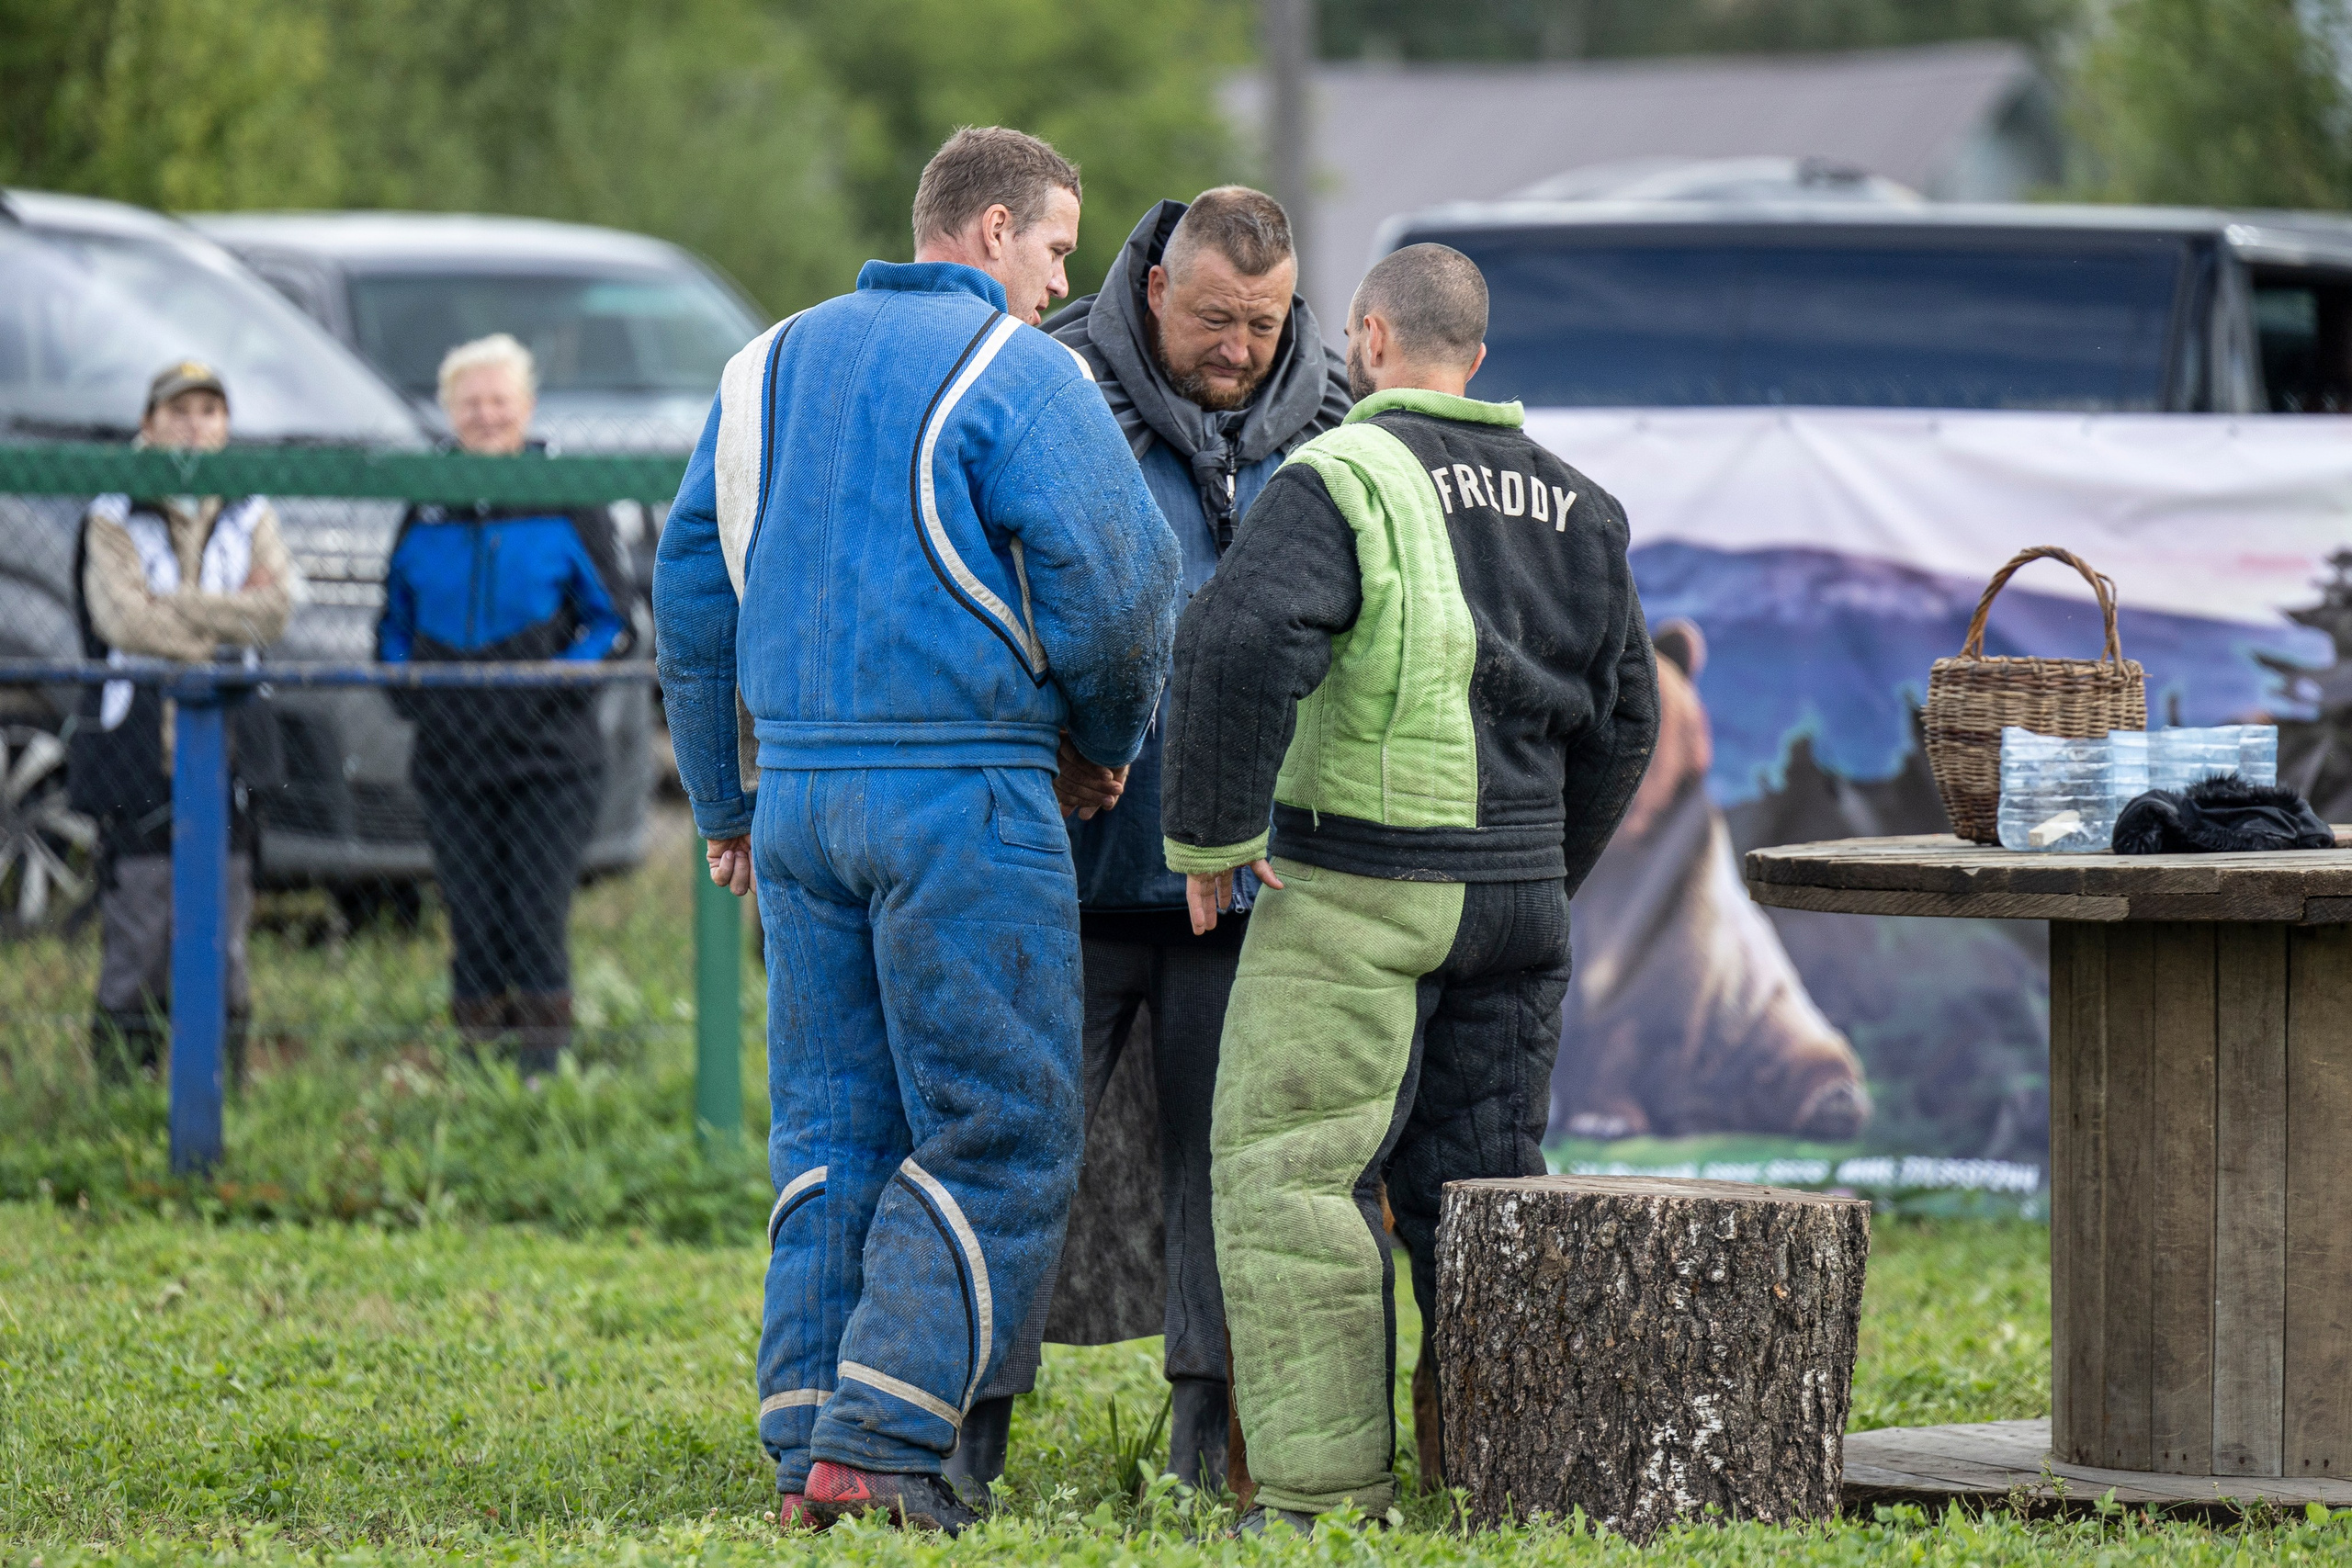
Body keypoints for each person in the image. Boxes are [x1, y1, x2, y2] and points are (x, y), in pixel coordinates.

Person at [654, 126, 1180, 1536]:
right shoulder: (1022, 370)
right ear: (995, 227)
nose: (1061, 279)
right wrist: (1103, 745)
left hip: (804, 807)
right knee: (998, 1124)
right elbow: (1129, 590)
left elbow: (690, 589)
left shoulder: (759, 368)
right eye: (1060, 249)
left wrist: (724, 801)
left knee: (833, 1124)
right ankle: (884, 1442)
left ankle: (799, 1443)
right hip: (967, 795)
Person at [1159, 243, 1660, 1532]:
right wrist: (1546, 871)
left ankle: (1324, 1499)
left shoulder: (1343, 475)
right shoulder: (1583, 506)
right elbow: (1629, 722)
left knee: (1293, 1176)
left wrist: (1213, 833)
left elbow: (1236, 634)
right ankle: (1500, 1480)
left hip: (1364, 889)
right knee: (1487, 1197)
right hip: (1515, 903)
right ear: (1477, 360)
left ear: (1367, 342)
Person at [948, 186, 1350, 1496]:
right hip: (1068, 868)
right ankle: (967, 1427)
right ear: (1159, 287)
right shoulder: (1049, 382)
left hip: (1252, 878)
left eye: (1266, 321)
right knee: (1019, 1150)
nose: (1241, 347)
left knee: (1223, 1162)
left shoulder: (1339, 421)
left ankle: (1206, 1441)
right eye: (1218, 319)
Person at [375, 333, 629, 1077]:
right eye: (470, 402)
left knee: (533, 914)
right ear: (449, 411)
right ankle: (477, 1068)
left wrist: (556, 677)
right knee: (472, 917)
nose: (486, 415)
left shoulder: (566, 497)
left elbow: (614, 620)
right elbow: (390, 622)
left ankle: (542, 1071)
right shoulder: (426, 503)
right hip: (451, 752)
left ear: (527, 406)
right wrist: (409, 686)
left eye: (499, 400)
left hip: (549, 755)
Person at [70, 361, 294, 1086]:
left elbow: (279, 607)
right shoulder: (111, 513)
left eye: (208, 410)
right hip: (138, 747)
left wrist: (178, 606)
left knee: (223, 935)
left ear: (225, 426)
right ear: (149, 423)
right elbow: (124, 620)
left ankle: (219, 1087)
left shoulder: (251, 509)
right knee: (139, 928)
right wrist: (225, 616)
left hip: (232, 747)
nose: (194, 424)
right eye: (178, 411)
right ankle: (123, 1088)